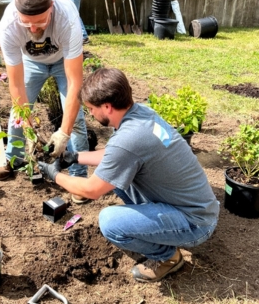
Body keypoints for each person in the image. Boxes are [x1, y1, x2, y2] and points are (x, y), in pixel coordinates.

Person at [38, 68, 219, 282]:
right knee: (112, 174)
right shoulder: (141, 115)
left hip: (195, 223)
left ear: (107, 106)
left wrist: (55, 175)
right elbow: (117, 157)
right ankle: (158, 230)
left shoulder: (129, 139)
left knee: (110, 221)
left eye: (91, 109)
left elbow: (92, 190)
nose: (91, 115)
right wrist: (75, 157)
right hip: (196, 205)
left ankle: (168, 258)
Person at [0, 0, 90, 204]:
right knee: (18, 113)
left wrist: (63, 133)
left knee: (76, 119)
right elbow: (15, 85)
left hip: (63, 61)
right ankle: (13, 158)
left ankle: (79, 178)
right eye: (26, 23)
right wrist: (28, 128)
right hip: (31, 63)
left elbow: (75, 82)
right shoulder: (8, 25)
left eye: (40, 22)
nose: (33, 28)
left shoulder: (67, 19)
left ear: (51, 9)